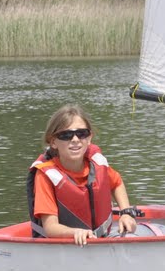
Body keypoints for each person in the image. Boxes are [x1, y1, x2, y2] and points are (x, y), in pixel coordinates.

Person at [27, 104, 138, 245]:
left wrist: (126, 213)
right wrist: (75, 232)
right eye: (66, 135)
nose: (75, 139)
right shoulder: (46, 176)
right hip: (65, 247)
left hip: (102, 238)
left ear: (89, 138)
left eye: (81, 133)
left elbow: (117, 183)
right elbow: (50, 227)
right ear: (53, 142)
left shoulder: (97, 164)